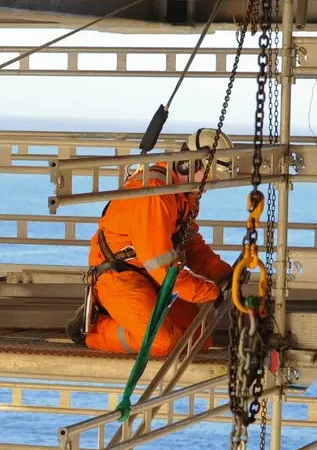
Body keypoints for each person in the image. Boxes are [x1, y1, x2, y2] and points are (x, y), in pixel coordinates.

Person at [67, 128, 235, 358]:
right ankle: (94, 331)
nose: (208, 186)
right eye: (209, 178)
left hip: (147, 275)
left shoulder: (183, 193)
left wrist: (223, 274)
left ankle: (126, 318)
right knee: (161, 343)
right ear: (188, 164)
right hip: (120, 278)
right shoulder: (155, 195)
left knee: (198, 336)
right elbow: (161, 266)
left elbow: (190, 243)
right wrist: (206, 291)